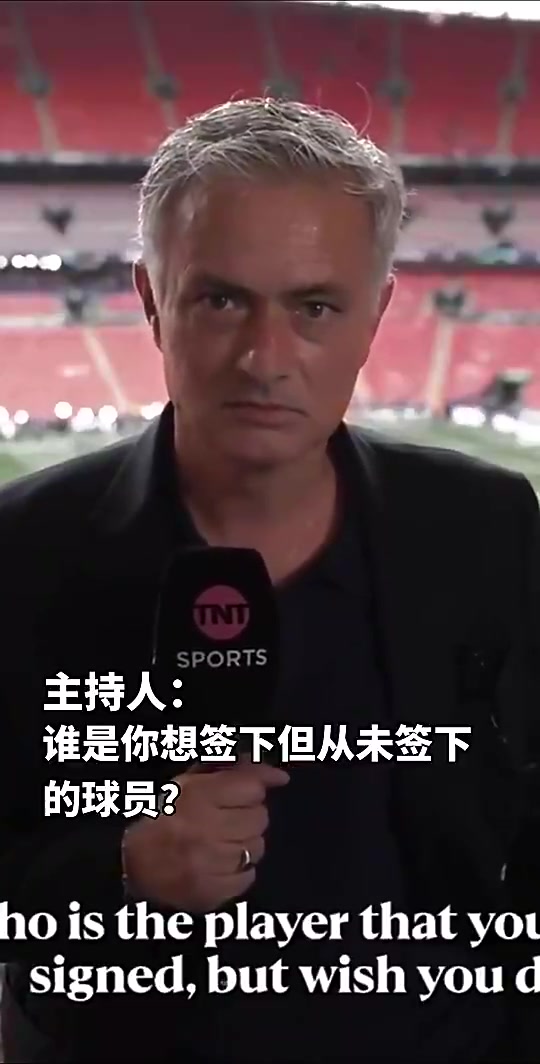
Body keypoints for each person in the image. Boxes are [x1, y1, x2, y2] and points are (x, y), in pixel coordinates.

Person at [1, 97, 540, 1063]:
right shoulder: (24, 548)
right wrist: (114, 870)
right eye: (220, 300)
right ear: (151, 300)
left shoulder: (486, 526)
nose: (265, 359)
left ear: (377, 315)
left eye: (315, 307)